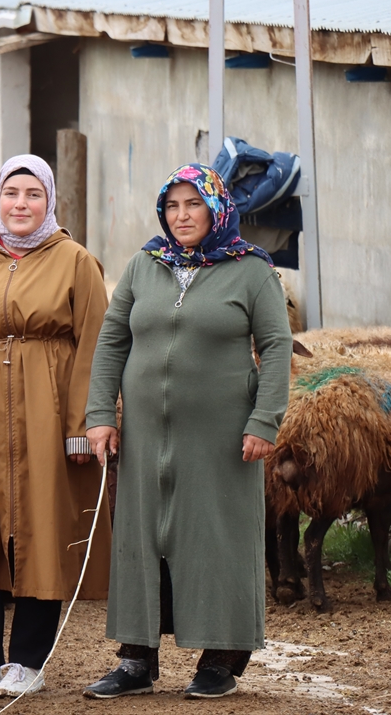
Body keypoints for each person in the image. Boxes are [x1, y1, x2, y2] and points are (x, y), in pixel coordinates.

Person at [82, 163, 291, 700]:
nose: (181, 216)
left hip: (224, 439)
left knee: (217, 539)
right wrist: (100, 413)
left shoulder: (252, 271)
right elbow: (112, 341)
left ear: (216, 208)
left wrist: (264, 420)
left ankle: (221, 659)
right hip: (145, 438)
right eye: (172, 206)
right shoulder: (144, 265)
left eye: (193, 204)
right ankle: (136, 660)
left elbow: (276, 347)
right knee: (141, 538)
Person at [0, 154, 112, 699]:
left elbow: (95, 347)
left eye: (33, 194)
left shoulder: (75, 261)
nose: (21, 204)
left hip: (48, 411)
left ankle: (28, 660)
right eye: (12, 193)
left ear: (49, 200)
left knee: (43, 528)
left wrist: (82, 424)